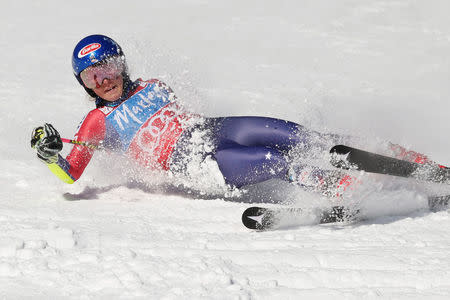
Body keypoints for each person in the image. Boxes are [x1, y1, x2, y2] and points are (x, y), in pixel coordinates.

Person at [30, 34, 437, 198]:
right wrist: (52, 155)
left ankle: (390, 155)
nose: (103, 81)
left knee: (290, 133)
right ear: (83, 83)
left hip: (211, 131)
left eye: (109, 67)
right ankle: (348, 188)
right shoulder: (96, 123)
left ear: (122, 64)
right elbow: (72, 172)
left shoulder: (153, 84)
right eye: (92, 75)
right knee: (272, 161)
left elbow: (183, 116)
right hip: (192, 163)